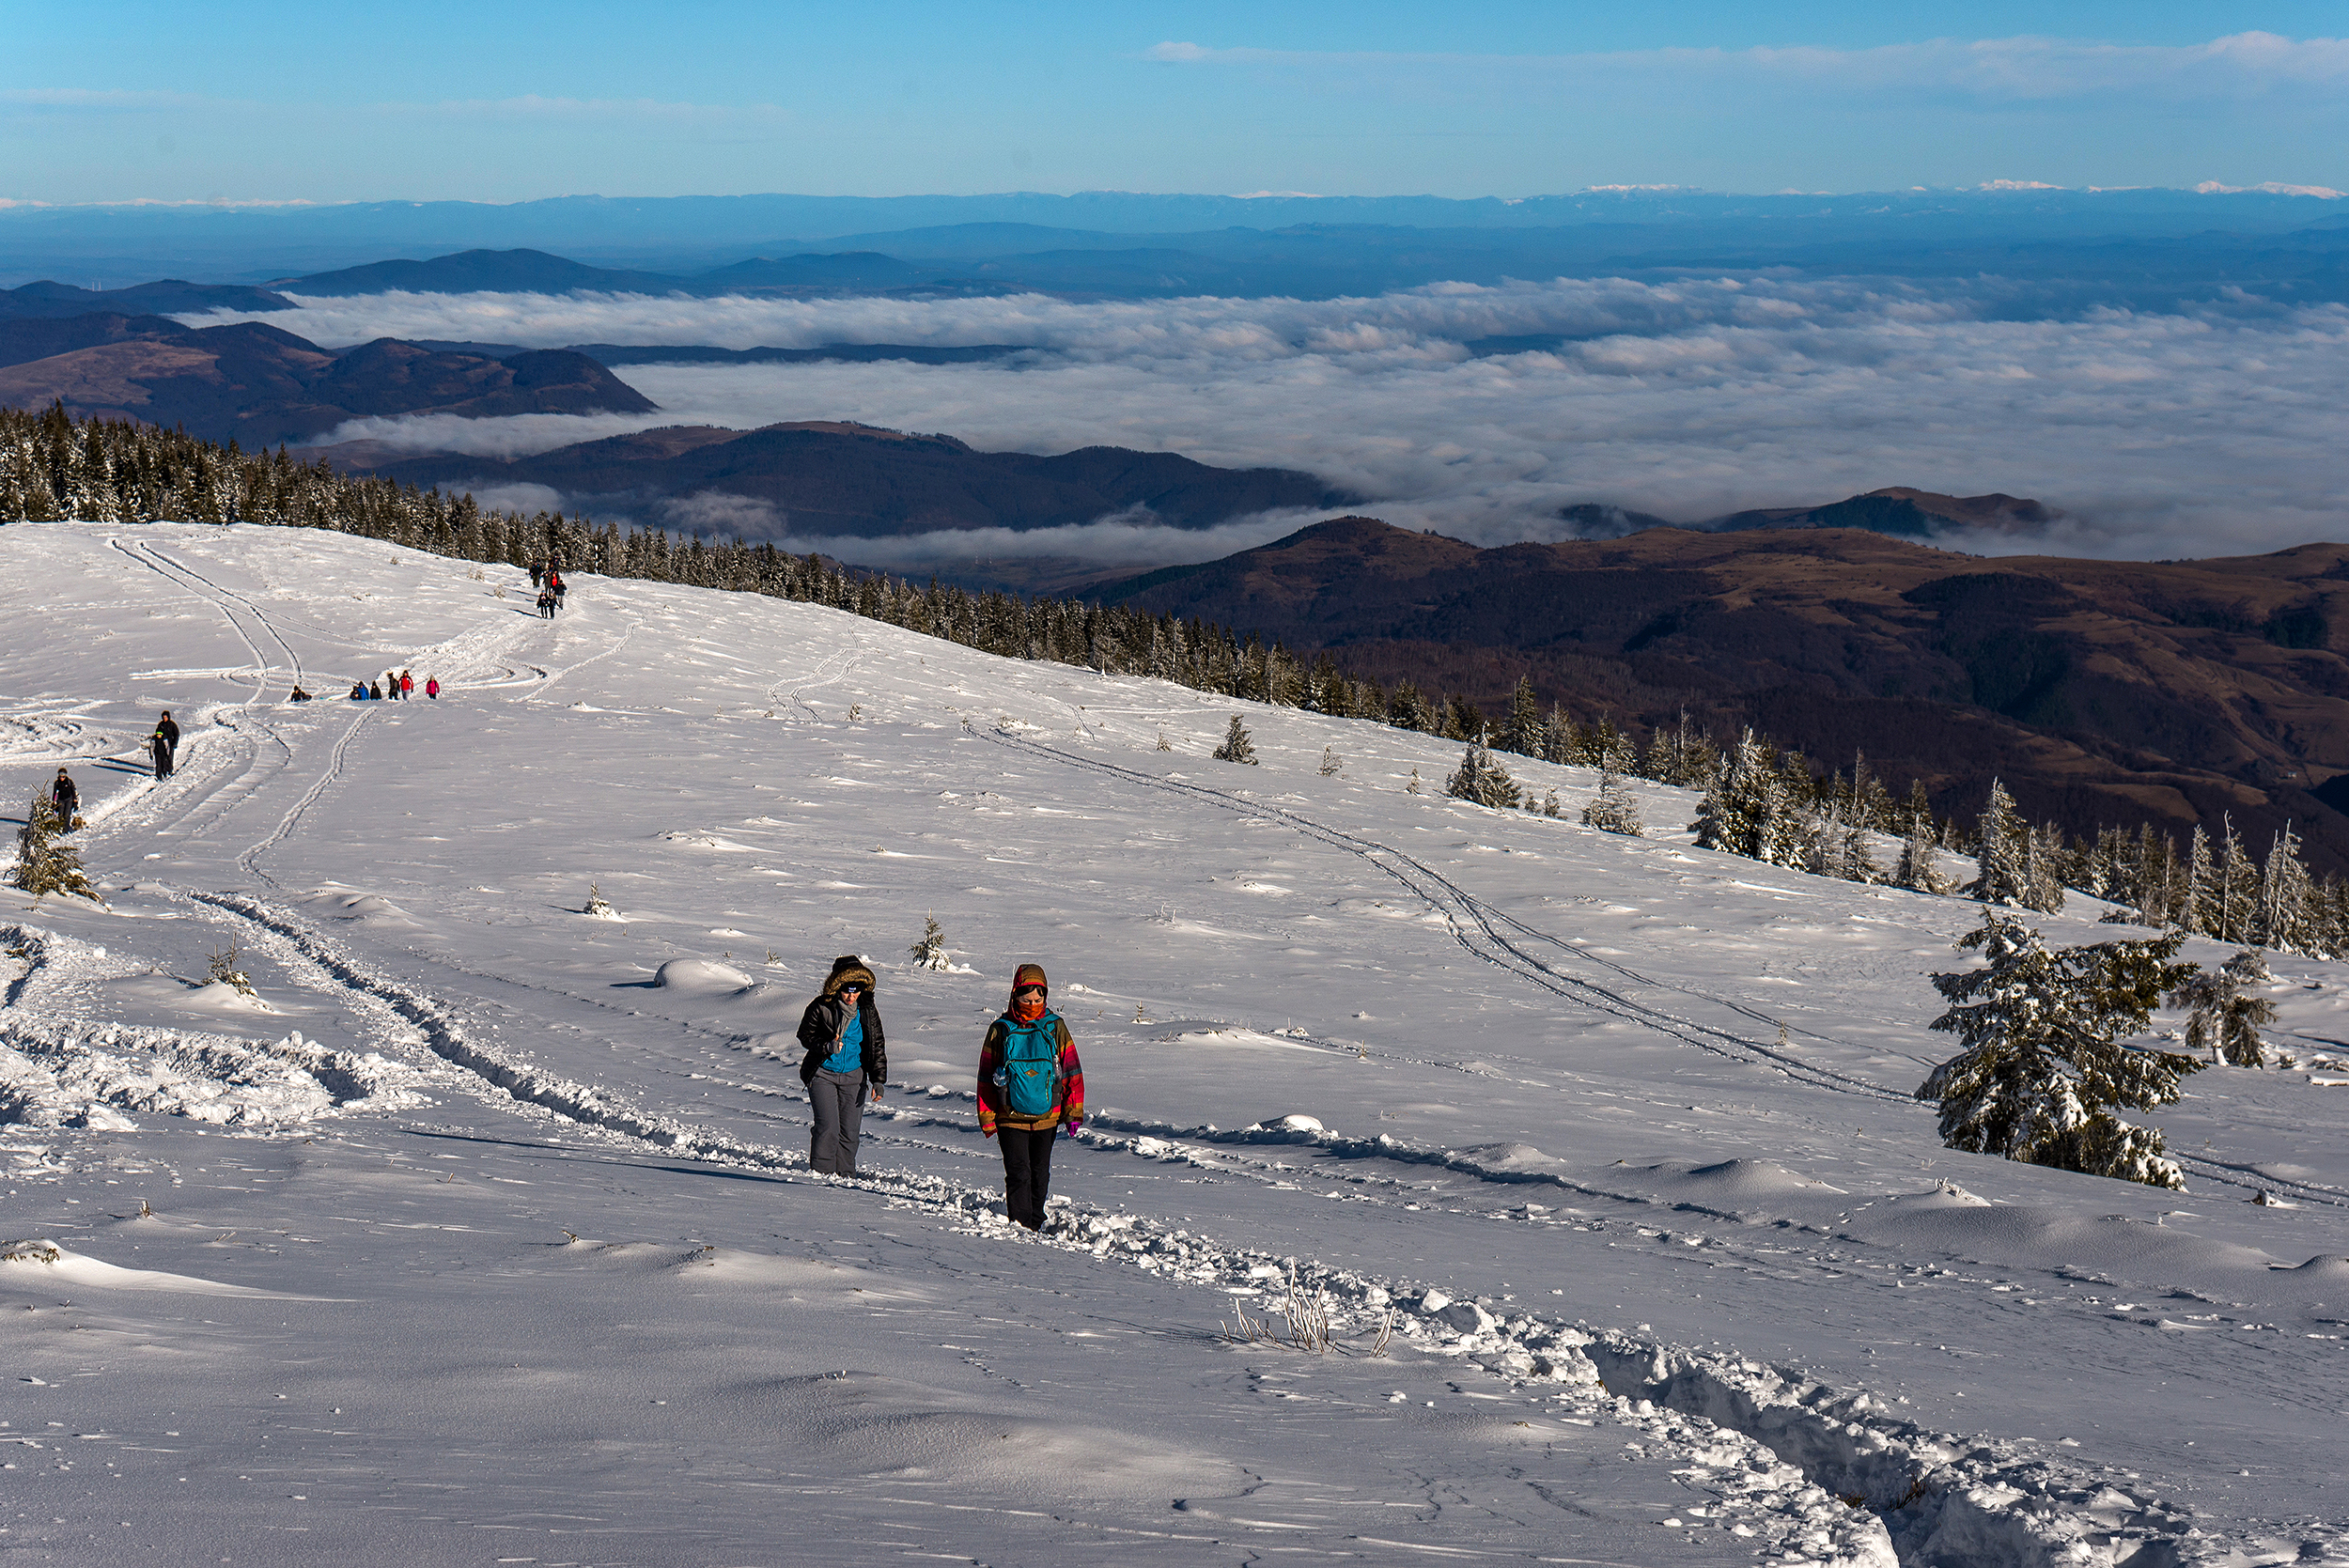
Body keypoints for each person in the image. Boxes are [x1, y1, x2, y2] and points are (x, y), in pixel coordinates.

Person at [975, 963, 1084, 1231]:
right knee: (1018, 1173)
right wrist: (987, 1117)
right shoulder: (1000, 1029)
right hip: (1009, 1116)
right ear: (1015, 996)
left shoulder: (1055, 1027)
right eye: (1027, 1000)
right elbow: (986, 1074)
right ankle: (1021, 1224)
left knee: (1040, 1174)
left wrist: (1073, 1111)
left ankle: (1035, 1221)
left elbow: (1072, 1071)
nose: (1033, 1004)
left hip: (1048, 1115)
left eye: (1039, 999)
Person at [796, 955, 886, 1176]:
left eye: (856, 990)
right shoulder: (821, 1006)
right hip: (823, 1075)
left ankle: (846, 1178)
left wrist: (878, 1079)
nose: (851, 995)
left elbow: (876, 1045)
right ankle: (822, 1177)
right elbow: (804, 1035)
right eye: (847, 990)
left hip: (854, 1078)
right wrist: (827, 1046)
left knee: (850, 1132)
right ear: (838, 987)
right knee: (828, 1129)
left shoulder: (866, 1010)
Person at [150, 710, 179, 780]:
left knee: (170, 757)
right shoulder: (161, 725)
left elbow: (176, 734)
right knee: (164, 758)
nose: (165, 718)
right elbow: (157, 733)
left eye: (166, 717)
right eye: (163, 717)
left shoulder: (172, 724)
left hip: (171, 743)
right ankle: (164, 770)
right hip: (162, 744)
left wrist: (175, 742)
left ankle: (169, 770)